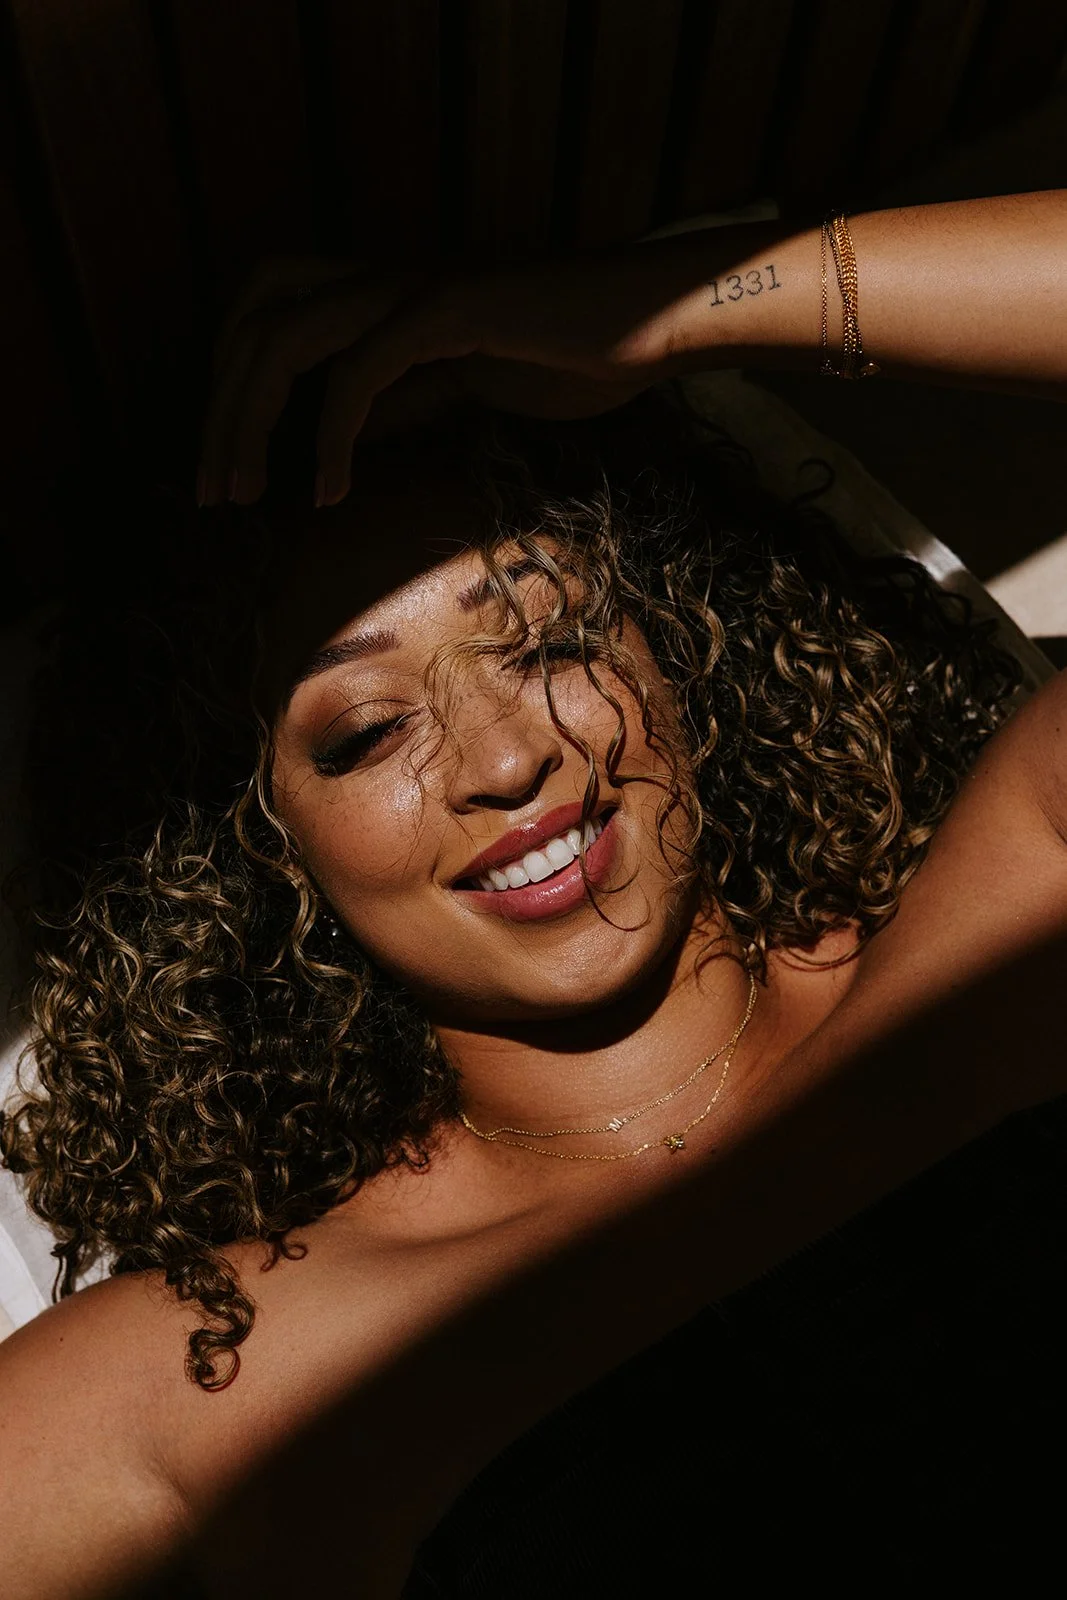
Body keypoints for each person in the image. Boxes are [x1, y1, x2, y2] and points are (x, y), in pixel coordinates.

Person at [1, 192, 1065, 1599]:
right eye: (366, 731)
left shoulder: (1016, 915)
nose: (511, 758)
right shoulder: (205, 1371)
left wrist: (653, 314)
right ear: (252, 851)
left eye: (548, 638)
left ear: (685, 642)